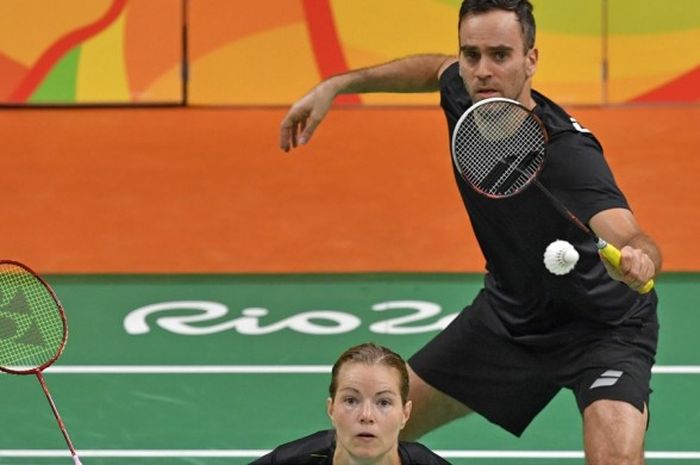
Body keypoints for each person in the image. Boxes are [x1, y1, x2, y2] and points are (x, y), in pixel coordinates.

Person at [279, 1, 662, 464]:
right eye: (471, 54)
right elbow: (429, 70)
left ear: (531, 60)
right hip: (510, 319)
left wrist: (639, 259)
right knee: (368, 433)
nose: (482, 70)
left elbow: (629, 233)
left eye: (500, 55)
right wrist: (339, 84)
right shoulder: (464, 93)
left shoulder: (568, 152)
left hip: (603, 330)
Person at [251, 342, 450, 465]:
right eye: (351, 400)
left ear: (405, 414)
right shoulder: (293, 460)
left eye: (383, 402)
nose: (366, 415)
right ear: (331, 408)